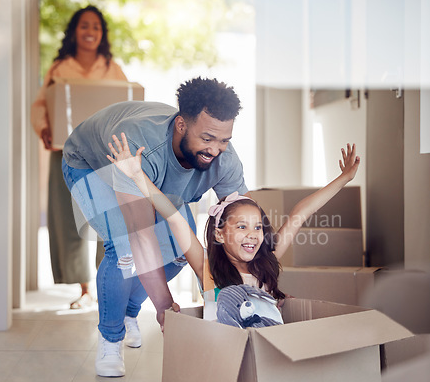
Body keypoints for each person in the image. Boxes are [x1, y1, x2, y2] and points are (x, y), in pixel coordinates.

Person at [62, 77, 246, 377]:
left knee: (177, 252)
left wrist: (225, 291)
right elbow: (141, 236)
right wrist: (164, 307)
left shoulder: (225, 160)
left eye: (224, 140)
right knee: (123, 249)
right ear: (181, 126)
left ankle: (130, 312)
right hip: (96, 163)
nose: (215, 150)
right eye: (208, 138)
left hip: (153, 180)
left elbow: (241, 227)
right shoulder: (135, 145)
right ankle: (110, 338)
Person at [107, 134, 360, 322]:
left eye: (258, 227)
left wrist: (344, 179)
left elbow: (300, 213)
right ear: (219, 233)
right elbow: (174, 217)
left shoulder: (266, 262)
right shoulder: (208, 269)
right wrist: (138, 176)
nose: (253, 234)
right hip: (226, 358)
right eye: (242, 226)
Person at [31, 5, 127, 309]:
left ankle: (104, 285)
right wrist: (45, 128)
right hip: (66, 152)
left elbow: (125, 104)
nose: (90, 32)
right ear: (75, 31)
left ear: (102, 34)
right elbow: (39, 105)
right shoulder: (60, 68)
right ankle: (84, 290)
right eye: (84, 26)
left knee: (106, 219)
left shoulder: (112, 68)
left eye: (96, 27)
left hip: (101, 156)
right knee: (68, 219)